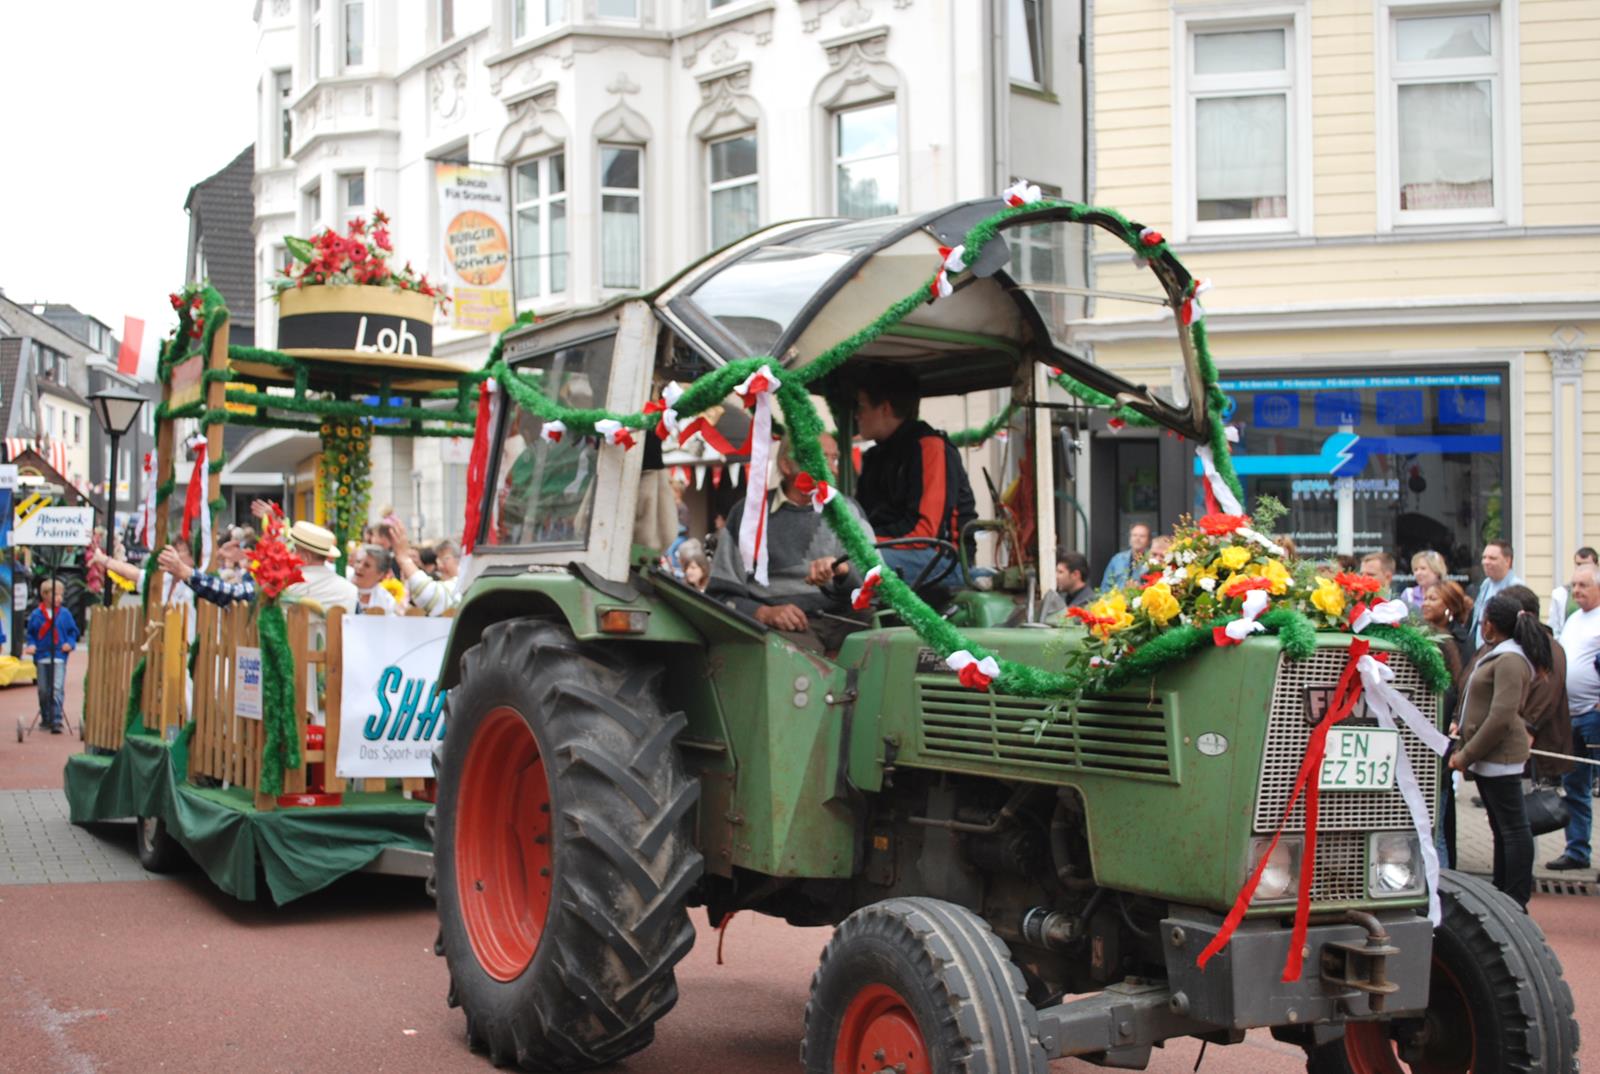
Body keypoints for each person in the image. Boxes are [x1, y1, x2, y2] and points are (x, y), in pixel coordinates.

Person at [709, 433, 875, 652]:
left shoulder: (848, 511)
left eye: (834, 459)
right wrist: (764, 613)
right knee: (797, 662)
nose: (833, 470)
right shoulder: (748, 514)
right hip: (785, 630)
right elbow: (720, 595)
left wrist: (844, 570)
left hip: (847, 621)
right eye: (821, 459)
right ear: (786, 465)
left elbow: (877, 583)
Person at [1449, 593, 1549, 909]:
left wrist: (1466, 755)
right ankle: (1502, 891)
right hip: (1489, 756)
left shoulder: (1510, 659)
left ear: (1490, 624)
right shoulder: (1500, 654)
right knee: (1501, 827)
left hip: (1500, 756)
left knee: (1513, 828)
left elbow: (1501, 716)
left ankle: (1515, 897)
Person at [854, 368, 976, 587]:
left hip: (942, 559)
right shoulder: (875, 456)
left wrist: (861, 541)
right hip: (894, 550)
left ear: (885, 408)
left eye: (861, 407)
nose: (856, 415)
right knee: (837, 560)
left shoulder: (930, 447)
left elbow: (925, 533)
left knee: (852, 564)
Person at [1547, 562, 1600, 872]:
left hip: (1594, 716)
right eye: (1574, 585)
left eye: (1583, 585)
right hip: (1570, 716)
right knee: (1575, 787)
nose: (1576, 591)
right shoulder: (1573, 619)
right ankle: (1577, 851)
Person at [1421, 579, 1474, 869]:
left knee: (1438, 822)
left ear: (1449, 607)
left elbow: (1458, 691)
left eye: (1433, 598)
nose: (1426, 603)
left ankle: (1443, 876)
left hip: (1441, 737)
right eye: (1425, 597)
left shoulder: (1454, 643)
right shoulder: (1428, 635)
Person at [1502, 585, 1573, 785]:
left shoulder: (1547, 647)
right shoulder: (1515, 644)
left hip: (1538, 750)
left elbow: (1546, 690)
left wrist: (1528, 728)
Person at [25, 579, 79, 734]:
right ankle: (46, 716)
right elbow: (31, 634)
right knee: (43, 690)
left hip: (59, 656)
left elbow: (73, 632)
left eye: (61, 595)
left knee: (57, 688)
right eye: (55, 595)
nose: (59, 598)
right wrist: (31, 645)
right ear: (45, 595)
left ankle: (56, 719)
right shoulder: (36, 615)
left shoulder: (65, 614)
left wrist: (70, 643)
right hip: (42, 655)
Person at [282, 520, 359, 614]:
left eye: (292, 550)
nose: (288, 554)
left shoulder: (289, 585)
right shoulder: (350, 590)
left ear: (306, 557)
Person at [158, 540, 256, 608]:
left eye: (181, 551)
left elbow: (236, 592)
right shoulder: (165, 578)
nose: (177, 554)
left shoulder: (258, 586)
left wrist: (188, 573)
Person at [1470, 540, 1522, 648]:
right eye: (1484, 557)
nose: (1485, 562)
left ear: (1507, 561)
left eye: (1492, 558)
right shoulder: (1486, 584)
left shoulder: (1517, 588)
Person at [1549, 546, 1599, 633]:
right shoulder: (1561, 593)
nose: (1576, 590)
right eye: (1578, 564)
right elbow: (1554, 627)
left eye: (1586, 564)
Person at [1101, 523, 1152, 590]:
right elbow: (1105, 587)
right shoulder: (1117, 559)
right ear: (1130, 538)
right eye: (1134, 535)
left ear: (1149, 541)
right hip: (1117, 596)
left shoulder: (1152, 562)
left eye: (1142, 536)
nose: (1137, 538)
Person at [353, 544, 400, 614]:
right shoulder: (342, 589)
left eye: (367, 565)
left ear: (381, 574)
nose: (359, 567)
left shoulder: (387, 601)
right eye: (358, 561)